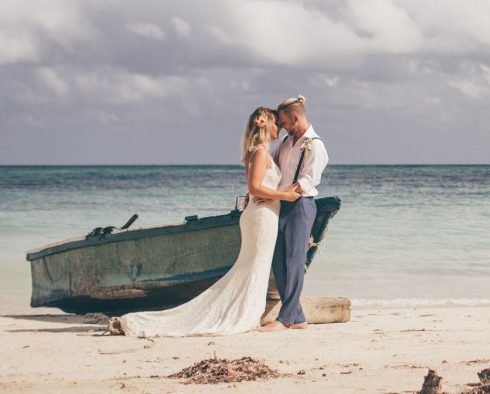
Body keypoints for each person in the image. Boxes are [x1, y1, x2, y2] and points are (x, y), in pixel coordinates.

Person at [112, 108, 302, 337]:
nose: (278, 129)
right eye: (276, 125)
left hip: (261, 214)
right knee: (254, 267)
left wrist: (276, 193)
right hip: (261, 217)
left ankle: (246, 311)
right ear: (265, 125)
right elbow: (254, 188)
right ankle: (244, 314)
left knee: (252, 267)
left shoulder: (257, 152)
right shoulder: (261, 153)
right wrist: (286, 196)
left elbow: (258, 189)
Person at [261, 94, 329, 331]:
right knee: (278, 260)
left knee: (294, 260)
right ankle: (298, 318)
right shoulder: (286, 143)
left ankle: (286, 318)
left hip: (301, 205)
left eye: (284, 122)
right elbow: (271, 166)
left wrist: (280, 194)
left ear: (296, 117)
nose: (282, 127)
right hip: (280, 204)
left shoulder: (316, 145)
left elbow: (308, 180)